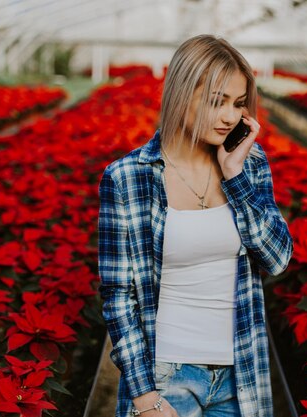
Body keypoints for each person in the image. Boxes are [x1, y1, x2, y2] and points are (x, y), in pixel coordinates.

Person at [97, 34, 293, 417]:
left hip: (241, 374)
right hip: (166, 379)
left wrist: (234, 176)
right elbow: (119, 296)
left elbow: (277, 259)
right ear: (181, 94)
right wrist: (145, 398)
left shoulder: (249, 164)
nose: (230, 117)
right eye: (216, 101)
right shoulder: (127, 177)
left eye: (238, 104)